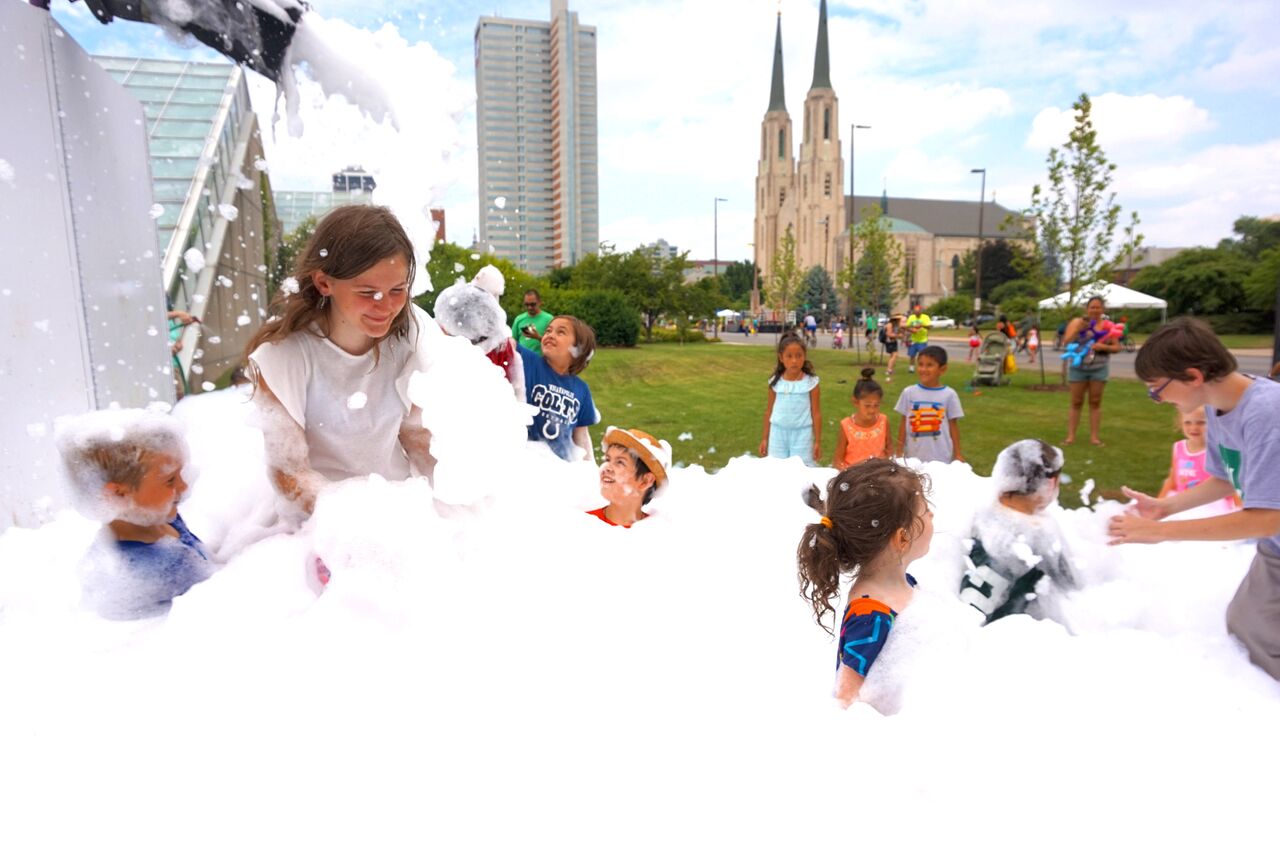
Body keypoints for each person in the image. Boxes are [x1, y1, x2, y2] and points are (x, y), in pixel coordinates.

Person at [1108, 318, 1280, 680]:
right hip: (1275, 548)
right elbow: (1225, 478)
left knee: (1260, 637)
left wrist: (1161, 533)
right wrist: (1166, 507)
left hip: (1272, 534)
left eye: (1157, 389)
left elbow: (1267, 517)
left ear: (1193, 376)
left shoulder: (1267, 413)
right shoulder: (1218, 408)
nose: (1158, 399)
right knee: (1246, 625)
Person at [244, 205, 433, 517]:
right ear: (324, 283)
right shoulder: (282, 358)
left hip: (401, 513)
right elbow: (289, 474)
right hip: (320, 526)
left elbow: (419, 445)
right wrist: (354, 522)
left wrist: (460, 503)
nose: (385, 306)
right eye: (368, 291)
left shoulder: (409, 346)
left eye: (397, 290)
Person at [796, 459, 934, 708]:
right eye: (925, 510)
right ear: (902, 538)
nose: (931, 514)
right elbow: (847, 703)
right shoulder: (871, 616)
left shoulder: (901, 585)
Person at [55, 409, 213, 620]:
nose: (184, 486)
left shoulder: (160, 517)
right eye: (170, 480)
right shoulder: (145, 572)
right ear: (118, 494)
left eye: (180, 474)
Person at [959, 439, 1077, 624]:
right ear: (1051, 484)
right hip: (1016, 634)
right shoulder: (1040, 538)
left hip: (974, 625)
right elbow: (1073, 592)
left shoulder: (983, 513)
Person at [517, 315, 600, 463]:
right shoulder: (527, 361)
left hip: (560, 470)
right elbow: (499, 341)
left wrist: (590, 473)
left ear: (578, 348)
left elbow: (582, 437)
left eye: (560, 332)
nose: (550, 335)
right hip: (524, 460)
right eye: (548, 331)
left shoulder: (582, 390)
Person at [1062, 296, 1122, 446]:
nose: (1095, 310)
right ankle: (1070, 437)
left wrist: (1104, 347)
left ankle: (1094, 438)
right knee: (1076, 402)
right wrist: (1077, 329)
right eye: (1092, 307)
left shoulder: (1108, 326)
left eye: (1098, 307)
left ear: (1103, 309)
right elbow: (1066, 341)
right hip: (1078, 368)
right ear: (1086, 309)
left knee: (1095, 402)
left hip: (1098, 368)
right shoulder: (1077, 322)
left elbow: (1116, 347)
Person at [1157, 406, 1239, 515]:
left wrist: (1239, 508)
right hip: (1182, 503)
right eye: (1187, 423)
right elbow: (1172, 479)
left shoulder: (1218, 450)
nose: (1194, 428)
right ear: (1180, 424)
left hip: (1211, 505)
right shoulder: (1178, 448)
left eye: (1201, 423)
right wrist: (1159, 503)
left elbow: (1231, 483)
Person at [894, 344, 965, 464]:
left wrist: (957, 453)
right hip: (913, 456)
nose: (923, 369)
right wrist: (899, 450)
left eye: (929, 365)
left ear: (942, 369)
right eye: (920, 364)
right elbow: (903, 423)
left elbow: (953, 426)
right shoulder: (909, 393)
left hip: (941, 456)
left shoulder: (949, 395)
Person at [588, 427, 672, 527]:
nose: (607, 467)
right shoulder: (584, 523)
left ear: (645, 481)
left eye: (620, 462)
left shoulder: (659, 530)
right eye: (607, 459)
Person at [759, 332, 821, 465]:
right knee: (777, 469)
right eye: (789, 356)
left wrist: (817, 441)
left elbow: (816, 413)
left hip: (802, 435)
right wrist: (765, 438)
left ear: (805, 356)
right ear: (781, 358)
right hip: (778, 434)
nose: (794, 361)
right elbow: (769, 411)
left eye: (799, 356)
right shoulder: (775, 383)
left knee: (801, 470)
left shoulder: (811, 383)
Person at [834, 369, 891, 469]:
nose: (872, 410)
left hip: (879, 474)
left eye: (876, 405)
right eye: (867, 405)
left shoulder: (883, 421)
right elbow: (838, 460)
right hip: (855, 477)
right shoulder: (846, 426)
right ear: (855, 402)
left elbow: (889, 450)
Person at [511, 288, 553, 354]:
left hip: (541, 361)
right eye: (526, 304)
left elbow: (553, 343)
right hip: (523, 360)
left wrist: (538, 337)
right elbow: (513, 341)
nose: (529, 307)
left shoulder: (549, 319)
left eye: (533, 304)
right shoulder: (519, 319)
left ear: (539, 302)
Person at [904, 304, 932, 373]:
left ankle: (923, 368)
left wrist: (922, 325)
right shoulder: (911, 317)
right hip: (913, 340)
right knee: (912, 355)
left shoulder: (925, 317)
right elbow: (906, 327)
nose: (916, 313)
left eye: (917, 311)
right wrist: (912, 330)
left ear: (921, 311)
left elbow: (929, 327)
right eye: (915, 311)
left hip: (922, 340)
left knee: (923, 355)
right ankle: (911, 368)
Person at [879, 315, 903, 380]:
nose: (899, 320)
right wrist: (898, 335)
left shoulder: (895, 325)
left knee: (892, 355)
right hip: (890, 342)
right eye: (898, 319)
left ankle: (890, 369)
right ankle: (888, 370)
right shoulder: (890, 325)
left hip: (893, 341)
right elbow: (888, 334)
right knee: (895, 355)